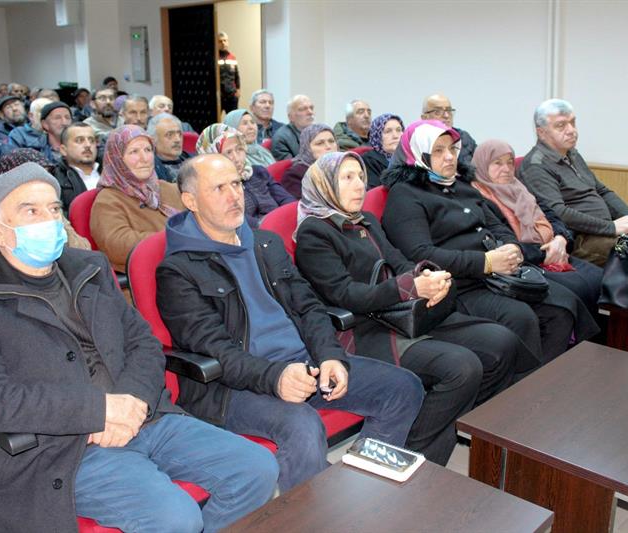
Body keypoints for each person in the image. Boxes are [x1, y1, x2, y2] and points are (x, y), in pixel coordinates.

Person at [0, 162, 278, 532]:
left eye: (54, 208)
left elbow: (143, 343)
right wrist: (97, 412)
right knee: (175, 517)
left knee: (256, 468)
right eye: (31, 211)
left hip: (144, 416)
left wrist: (132, 403)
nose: (49, 220)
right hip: (65, 446)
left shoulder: (89, 267)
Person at [157, 153, 424, 492]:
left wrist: (330, 356)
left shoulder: (265, 243)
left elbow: (309, 307)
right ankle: (313, 515)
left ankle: (360, 495)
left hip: (304, 365)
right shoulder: (177, 270)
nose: (234, 195)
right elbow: (218, 352)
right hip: (234, 387)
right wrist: (277, 377)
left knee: (403, 387)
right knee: (302, 425)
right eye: (219, 188)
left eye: (236, 184)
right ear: (190, 201)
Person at [294, 151, 519, 463]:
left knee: (502, 342)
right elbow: (346, 294)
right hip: (366, 329)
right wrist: (409, 288)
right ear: (324, 186)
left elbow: (398, 261)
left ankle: (445, 430)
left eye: (360, 177)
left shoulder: (365, 220)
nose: (359, 185)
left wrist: (425, 277)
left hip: (405, 314)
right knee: (462, 368)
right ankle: (410, 457)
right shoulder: (314, 233)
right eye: (347, 178)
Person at [381, 120, 598, 367]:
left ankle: (548, 376)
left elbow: (496, 225)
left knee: (564, 305)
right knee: (521, 317)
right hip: (459, 285)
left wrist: (512, 248)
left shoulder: (461, 185)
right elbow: (420, 254)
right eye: (438, 151)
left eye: (452, 149)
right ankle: (524, 384)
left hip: (497, 275)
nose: (450, 157)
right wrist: (486, 262)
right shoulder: (405, 194)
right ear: (418, 154)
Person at [519, 98, 628, 267]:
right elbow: (559, 213)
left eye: (573, 122)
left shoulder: (572, 154)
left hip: (604, 230)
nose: (571, 130)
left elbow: (602, 191)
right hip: (581, 241)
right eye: (561, 125)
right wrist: (612, 227)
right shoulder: (535, 166)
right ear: (541, 132)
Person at [472, 140, 603, 312]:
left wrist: (560, 238)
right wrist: (545, 252)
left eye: (510, 162)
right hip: (525, 261)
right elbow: (502, 241)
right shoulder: (478, 197)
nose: (506, 169)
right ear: (482, 165)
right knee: (575, 289)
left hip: (552, 250)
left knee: (599, 277)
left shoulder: (519, 188)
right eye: (497, 163)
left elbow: (551, 215)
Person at [90, 125, 183, 273]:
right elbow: (118, 245)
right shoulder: (107, 200)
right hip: (149, 275)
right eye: (134, 151)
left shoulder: (169, 188)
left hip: (186, 266)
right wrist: (177, 238)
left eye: (148, 150)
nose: (144, 158)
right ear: (117, 158)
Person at [0, 149, 91, 262]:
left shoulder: (53, 214)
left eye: (48, 175)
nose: (42, 185)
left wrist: (58, 223)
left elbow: (84, 253)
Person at [195, 124, 292, 228]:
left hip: (280, 225)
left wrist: (288, 218)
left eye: (239, 149)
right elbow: (238, 219)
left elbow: (287, 200)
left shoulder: (258, 172)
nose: (237, 158)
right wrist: (273, 224)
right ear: (213, 157)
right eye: (228, 152)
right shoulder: (214, 188)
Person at [281, 124, 338, 199]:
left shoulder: (345, 167)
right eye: (320, 143)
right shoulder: (295, 175)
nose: (328, 146)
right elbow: (302, 204)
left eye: (331, 141)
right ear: (307, 148)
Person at [420, 93, 476, 168]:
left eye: (449, 111)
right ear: (424, 118)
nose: (446, 116)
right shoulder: (417, 142)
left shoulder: (464, 138)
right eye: (438, 112)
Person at [56, 123, 101, 199]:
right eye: (79, 140)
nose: (88, 145)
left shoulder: (111, 171)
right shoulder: (56, 180)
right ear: (63, 150)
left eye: (91, 140)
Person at [362, 113, 404, 188]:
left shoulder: (410, 158)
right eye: (388, 131)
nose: (395, 136)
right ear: (377, 137)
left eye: (398, 130)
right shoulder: (369, 160)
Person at [148, 113, 191, 183]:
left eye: (179, 134)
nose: (178, 139)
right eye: (169, 135)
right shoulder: (149, 168)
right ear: (153, 140)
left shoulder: (192, 160)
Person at [271, 95, 316, 160]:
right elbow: (291, 165)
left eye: (311, 108)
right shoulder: (281, 139)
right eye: (303, 109)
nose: (310, 112)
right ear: (291, 117)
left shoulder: (319, 133)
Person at [218, 32, 240, 113]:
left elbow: (236, 75)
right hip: (219, 95)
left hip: (231, 95)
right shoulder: (214, 57)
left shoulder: (232, 57)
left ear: (228, 42)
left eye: (225, 40)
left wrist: (238, 90)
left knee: (232, 118)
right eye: (220, 41)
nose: (223, 43)